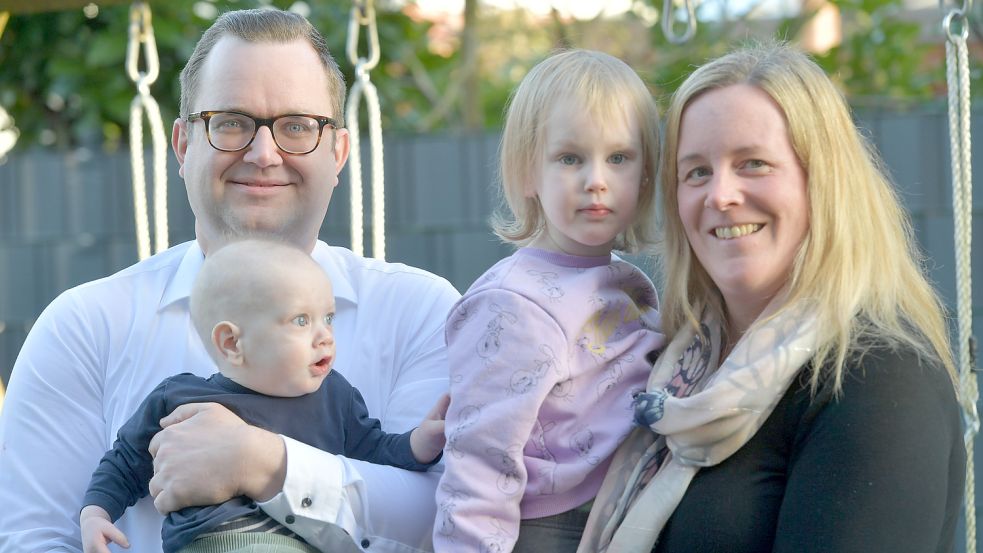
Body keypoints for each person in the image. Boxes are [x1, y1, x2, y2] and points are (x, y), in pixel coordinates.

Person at [0, 8, 460, 553]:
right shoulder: (83, 327)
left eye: (296, 126)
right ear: (183, 145)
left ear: (337, 152)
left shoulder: (423, 312)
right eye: (231, 122)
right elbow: (34, 539)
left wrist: (263, 464)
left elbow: (445, 519)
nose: (263, 154)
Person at [577, 41, 966, 553]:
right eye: (696, 171)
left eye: (753, 163)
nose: (720, 195)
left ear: (822, 183)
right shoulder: (674, 375)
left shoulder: (876, 379)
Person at [433, 49, 666, 553]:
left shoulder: (623, 284)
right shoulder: (513, 305)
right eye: (570, 158)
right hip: (551, 526)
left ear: (646, 177)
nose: (596, 179)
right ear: (526, 175)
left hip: (624, 507)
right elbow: (478, 460)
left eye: (619, 158)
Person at [80, 239, 448, 553]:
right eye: (302, 321)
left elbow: (377, 449)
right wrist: (96, 513)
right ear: (232, 343)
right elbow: (126, 462)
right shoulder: (181, 397)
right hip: (209, 543)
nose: (325, 336)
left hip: (303, 541)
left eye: (329, 318)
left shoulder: (335, 396)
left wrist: (419, 443)